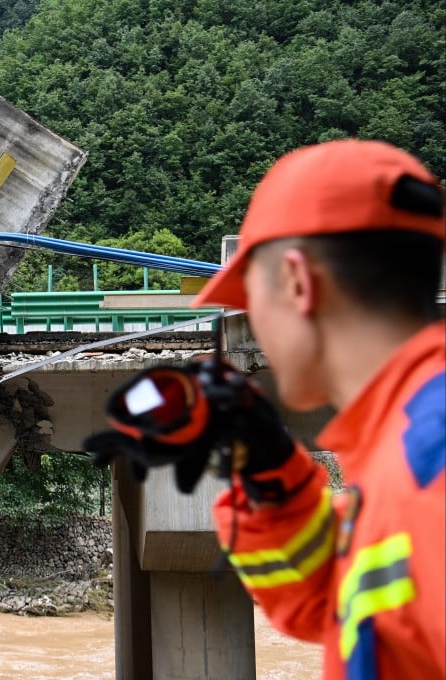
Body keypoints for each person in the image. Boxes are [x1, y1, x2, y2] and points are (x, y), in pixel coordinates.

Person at [85, 139, 445, 678]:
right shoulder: (401, 448)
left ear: (298, 283)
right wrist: (267, 468)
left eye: (251, 301)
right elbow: (328, 600)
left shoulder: (428, 452)